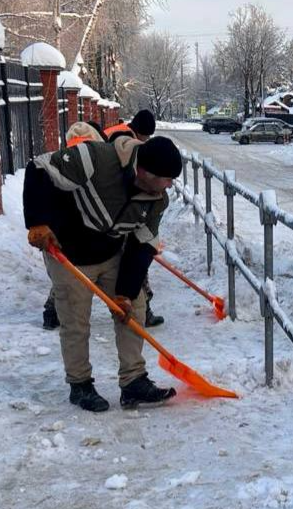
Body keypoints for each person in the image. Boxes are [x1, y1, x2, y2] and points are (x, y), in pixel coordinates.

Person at [24, 131, 183, 411]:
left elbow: (142, 245)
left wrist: (125, 292)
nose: (170, 186)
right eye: (167, 179)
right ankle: (80, 384)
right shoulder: (97, 158)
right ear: (145, 172)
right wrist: (37, 221)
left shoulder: (157, 200)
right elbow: (40, 168)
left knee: (133, 308)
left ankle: (133, 381)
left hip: (111, 253)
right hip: (68, 255)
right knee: (75, 322)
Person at [41, 122, 107, 331]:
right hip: (65, 233)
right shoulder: (64, 168)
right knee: (69, 275)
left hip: (73, 232)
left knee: (68, 275)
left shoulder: (62, 163)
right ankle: (53, 311)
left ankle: (53, 312)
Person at [104, 109, 165, 328]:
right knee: (136, 265)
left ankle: (52, 310)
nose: (145, 142)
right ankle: (144, 310)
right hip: (115, 208)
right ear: (139, 132)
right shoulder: (128, 143)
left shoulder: (116, 130)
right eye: (146, 137)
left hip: (111, 206)